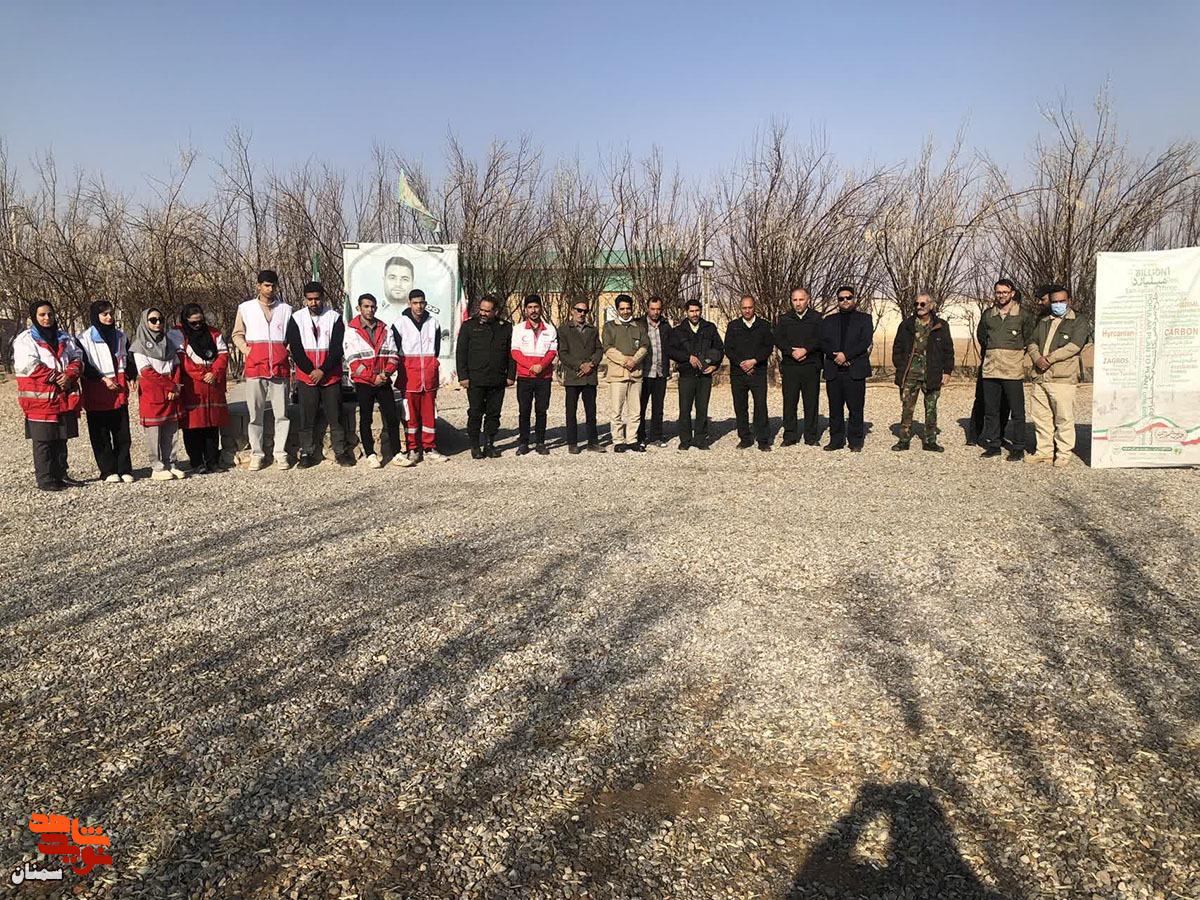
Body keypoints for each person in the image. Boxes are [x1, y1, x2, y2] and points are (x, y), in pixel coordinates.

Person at [13, 300, 83, 491]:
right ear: (34, 317)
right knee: (43, 440)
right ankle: (46, 478)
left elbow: (77, 357)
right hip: (40, 397)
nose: (47, 318)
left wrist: (70, 375)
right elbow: (29, 365)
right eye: (42, 315)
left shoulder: (64, 337)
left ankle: (62, 474)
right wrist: (57, 377)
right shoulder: (25, 340)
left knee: (61, 437)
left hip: (62, 395)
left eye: (50, 314)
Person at [231, 269, 293, 470]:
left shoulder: (286, 310)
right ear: (258, 286)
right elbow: (237, 334)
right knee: (255, 415)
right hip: (255, 368)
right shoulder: (246, 308)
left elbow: (292, 336)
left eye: (273, 285)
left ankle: (280, 453)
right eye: (266, 285)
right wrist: (248, 351)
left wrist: (285, 351)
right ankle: (257, 454)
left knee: (282, 414)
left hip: (279, 369)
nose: (270, 288)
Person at [1025, 283, 1092, 467]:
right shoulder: (1044, 320)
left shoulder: (1078, 320)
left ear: (1069, 301)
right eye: (1055, 302)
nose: (1058, 305)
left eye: (1062, 301)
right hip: (1040, 376)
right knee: (1041, 416)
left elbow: (1074, 346)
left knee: (1063, 417)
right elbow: (1032, 341)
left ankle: (1063, 453)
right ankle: (1044, 452)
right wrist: (1037, 358)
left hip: (1062, 377)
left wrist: (1049, 359)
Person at [286, 281, 351, 468]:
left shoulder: (334, 317)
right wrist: (310, 370)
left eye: (317, 299)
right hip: (307, 376)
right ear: (305, 300)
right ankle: (306, 452)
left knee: (335, 416)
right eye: (310, 299)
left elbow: (338, 348)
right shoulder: (296, 318)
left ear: (323, 297)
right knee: (307, 417)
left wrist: (323, 370)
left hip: (330, 376)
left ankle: (340, 451)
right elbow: (296, 348)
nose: (314, 303)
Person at [344, 293, 411, 468]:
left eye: (372, 306)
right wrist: (371, 377)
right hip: (364, 382)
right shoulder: (351, 330)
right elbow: (353, 360)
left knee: (391, 416)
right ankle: (370, 454)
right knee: (366, 418)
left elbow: (393, 354)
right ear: (359, 308)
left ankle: (396, 453)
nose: (370, 310)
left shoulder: (385, 328)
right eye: (366, 306)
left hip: (383, 379)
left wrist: (386, 374)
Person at [891, 293, 955, 452]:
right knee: (907, 407)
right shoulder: (906, 325)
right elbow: (897, 348)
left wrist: (947, 372)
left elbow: (948, 350)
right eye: (916, 304)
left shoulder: (941, 325)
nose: (919, 307)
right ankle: (904, 440)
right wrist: (901, 366)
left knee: (931, 408)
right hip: (910, 373)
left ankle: (930, 441)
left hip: (932, 373)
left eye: (923, 304)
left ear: (931, 306)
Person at [977, 278, 1033, 461]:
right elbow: (982, 336)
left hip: (1012, 371)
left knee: (1017, 412)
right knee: (991, 410)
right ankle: (994, 444)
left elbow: (1030, 338)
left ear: (1012, 293)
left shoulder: (1023, 315)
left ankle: (1018, 447)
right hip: (991, 370)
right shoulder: (988, 314)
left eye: (1005, 292)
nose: (1001, 295)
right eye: (998, 292)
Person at [77, 300, 133, 483]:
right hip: (97, 390)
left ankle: (124, 468)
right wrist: (103, 379)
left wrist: (132, 375)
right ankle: (108, 470)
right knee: (100, 435)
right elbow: (84, 365)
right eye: (104, 314)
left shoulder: (121, 336)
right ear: (96, 316)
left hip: (118, 390)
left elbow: (128, 358)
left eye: (111, 314)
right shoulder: (84, 339)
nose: (109, 317)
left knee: (122, 433)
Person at [456, 295, 515, 459]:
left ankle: (490, 444)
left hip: (497, 378)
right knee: (475, 413)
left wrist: (511, 375)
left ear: (495, 311)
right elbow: (461, 352)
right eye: (481, 309)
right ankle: (475, 445)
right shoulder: (469, 326)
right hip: (476, 378)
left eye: (487, 311)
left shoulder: (505, 327)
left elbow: (511, 353)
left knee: (493, 414)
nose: (483, 313)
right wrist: (463, 376)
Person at [132, 307, 185, 481]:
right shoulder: (139, 345)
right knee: (154, 432)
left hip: (170, 390)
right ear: (145, 322)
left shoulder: (168, 342)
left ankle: (171, 463)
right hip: (153, 391)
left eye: (160, 319)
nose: (158, 323)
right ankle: (157, 466)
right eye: (153, 320)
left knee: (171, 431)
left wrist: (175, 386)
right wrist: (171, 386)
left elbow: (176, 365)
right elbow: (146, 371)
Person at [175, 303, 230, 474]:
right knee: (193, 425)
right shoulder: (178, 334)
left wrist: (215, 372)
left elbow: (223, 354)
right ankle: (197, 461)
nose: (198, 325)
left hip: (213, 381)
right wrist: (201, 374)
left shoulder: (213, 333)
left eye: (200, 321)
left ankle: (212, 460)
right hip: (193, 384)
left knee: (212, 424)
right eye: (193, 323)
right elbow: (182, 359)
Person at [819, 285, 873, 452]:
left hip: (855, 370)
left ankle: (855, 441)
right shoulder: (829, 320)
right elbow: (822, 342)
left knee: (855, 408)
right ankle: (836, 440)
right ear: (837, 301)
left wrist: (846, 356)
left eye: (848, 297)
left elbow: (865, 341)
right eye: (841, 298)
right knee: (835, 408)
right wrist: (836, 356)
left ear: (854, 299)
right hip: (834, 369)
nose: (845, 301)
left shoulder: (865, 319)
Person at [395, 288, 446, 463]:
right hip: (409, 378)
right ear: (409, 303)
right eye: (415, 303)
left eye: (421, 303)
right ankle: (413, 448)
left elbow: (436, 350)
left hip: (429, 378)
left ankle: (430, 447)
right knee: (411, 416)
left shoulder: (433, 323)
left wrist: (431, 366)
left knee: (429, 414)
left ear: (425, 303)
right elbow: (396, 350)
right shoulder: (400, 324)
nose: (419, 306)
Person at [667, 299, 723, 451]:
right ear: (686, 312)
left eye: (697, 310)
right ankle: (685, 440)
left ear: (701, 311)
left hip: (705, 376)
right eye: (691, 311)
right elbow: (671, 350)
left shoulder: (710, 328)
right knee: (685, 409)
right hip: (687, 375)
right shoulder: (679, 330)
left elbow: (719, 348)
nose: (694, 314)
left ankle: (700, 439)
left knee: (702, 408)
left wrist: (715, 366)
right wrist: (687, 358)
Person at [723, 294, 774, 451]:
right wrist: (741, 363)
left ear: (754, 307)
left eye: (750, 307)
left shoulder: (764, 325)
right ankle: (745, 438)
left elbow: (768, 347)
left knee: (760, 405)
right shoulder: (733, 326)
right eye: (744, 308)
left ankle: (763, 439)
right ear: (740, 308)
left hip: (758, 371)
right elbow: (728, 348)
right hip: (738, 373)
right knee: (740, 406)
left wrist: (754, 361)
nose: (747, 311)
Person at [775, 287, 824, 446]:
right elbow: (778, 339)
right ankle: (790, 436)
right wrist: (791, 352)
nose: (798, 303)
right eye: (795, 300)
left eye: (801, 299)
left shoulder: (817, 318)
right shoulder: (784, 319)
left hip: (811, 365)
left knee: (811, 403)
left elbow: (821, 339)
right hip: (791, 366)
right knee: (790, 403)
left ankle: (811, 437)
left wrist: (806, 350)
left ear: (808, 300)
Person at [511, 294, 557, 455]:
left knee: (541, 410)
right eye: (530, 307)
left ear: (541, 308)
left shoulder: (550, 329)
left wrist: (541, 366)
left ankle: (540, 442)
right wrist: (531, 366)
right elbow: (515, 352)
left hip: (544, 377)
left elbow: (552, 352)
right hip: (525, 376)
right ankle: (523, 442)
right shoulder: (518, 329)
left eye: (536, 307)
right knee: (524, 410)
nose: (533, 310)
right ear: (525, 310)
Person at [603, 293, 649, 453]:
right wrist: (625, 361)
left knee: (635, 410)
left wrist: (634, 360)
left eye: (628, 308)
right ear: (617, 310)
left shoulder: (639, 327)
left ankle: (632, 439)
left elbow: (644, 346)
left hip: (635, 374)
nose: (625, 311)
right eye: (622, 309)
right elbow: (608, 348)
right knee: (616, 410)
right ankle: (618, 440)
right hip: (617, 375)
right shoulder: (609, 327)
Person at [556, 299, 604, 453]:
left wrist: (591, 363)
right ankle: (572, 443)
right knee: (571, 412)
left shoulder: (592, 330)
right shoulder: (564, 330)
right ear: (572, 310)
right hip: (573, 376)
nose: (582, 314)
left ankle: (593, 442)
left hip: (590, 376)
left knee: (591, 412)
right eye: (579, 310)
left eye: (585, 311)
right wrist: (579, 365)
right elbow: (563, 353)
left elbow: (599, 349)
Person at [636, 296, 671, 447]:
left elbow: (670, 346)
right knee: (640, 406)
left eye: (658, 309)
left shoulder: (665, 325)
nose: (656, 312)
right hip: (643, 372)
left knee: (658, 407)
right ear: (647, 308)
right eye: (653, 309)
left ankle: (656, 436)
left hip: (660, 372)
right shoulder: (639, 324)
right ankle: (640, 436)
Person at [380, 255, 415, 320]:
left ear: (413, 283)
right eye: (392, 278)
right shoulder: (368, 310)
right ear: (384, 280)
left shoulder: (429, 314)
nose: (398, 284)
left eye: (405, 279)